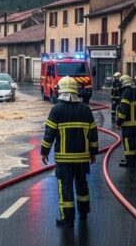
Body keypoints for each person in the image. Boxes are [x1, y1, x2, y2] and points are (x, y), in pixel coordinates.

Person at [41, 76, 99, 228]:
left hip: (64, 160)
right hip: (82, 158)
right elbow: (93, 135)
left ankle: (67, 220)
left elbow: (49, 134)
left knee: (65, 187)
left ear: (61, 91)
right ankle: (84, 213)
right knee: (82, 184)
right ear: (76, 90)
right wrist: (93, 153)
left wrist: (44, 152)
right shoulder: (86, 110)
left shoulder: (56, 110)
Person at [116, 75, 136, 167]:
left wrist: (119, 122)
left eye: (120, 82)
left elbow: (124, 110)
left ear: (123, 82)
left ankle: (129, 162)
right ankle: (132, 160)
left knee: (127, 142)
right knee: (132, 142)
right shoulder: (135, 92)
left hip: (128, 123)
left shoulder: (126, 93)